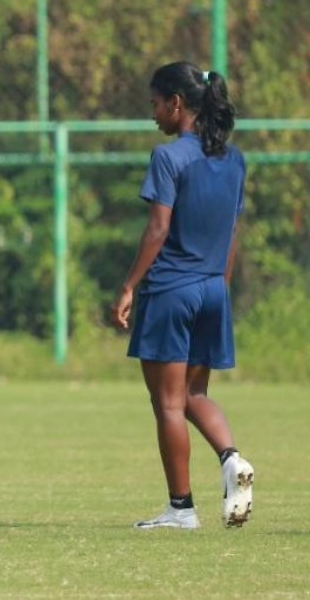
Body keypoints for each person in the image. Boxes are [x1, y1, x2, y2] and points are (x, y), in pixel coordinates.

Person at [112, 62, 253, 530]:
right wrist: (221, 286)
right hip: (213, 287)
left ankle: (181, 509)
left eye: (155, 103)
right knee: (194, 393)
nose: (153, 113)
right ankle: (231, 458)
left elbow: (158, 227)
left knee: (168, 404)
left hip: (172, 288)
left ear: (176, 103)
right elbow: (232, 231)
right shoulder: (233, 159)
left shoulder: (169, 156)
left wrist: (130, 284)